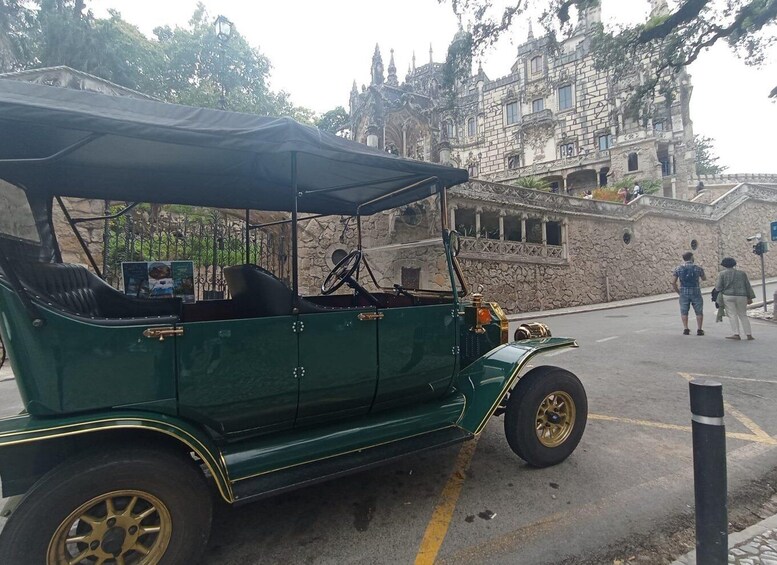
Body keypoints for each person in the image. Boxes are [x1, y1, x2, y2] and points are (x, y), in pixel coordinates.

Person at [714, 257, 756, 340]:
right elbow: (747, 285)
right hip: (742, 296)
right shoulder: (742, 273)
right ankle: (749, 334)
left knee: (732, 315)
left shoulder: (722, 274)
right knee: (743, 314)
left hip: (728, 296)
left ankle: (736, 334)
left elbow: (718, 287)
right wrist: (750, 297)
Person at [671, 251, 706, 335]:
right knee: (699, 311)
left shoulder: (678, 268)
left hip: (683, 292)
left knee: (684, 311)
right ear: (691, 258)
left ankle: (686, 329)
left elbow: (673, 282)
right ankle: (699, 329)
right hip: (696, 292)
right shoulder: (698, 268)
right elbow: (704, 278)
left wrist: (678, 292)